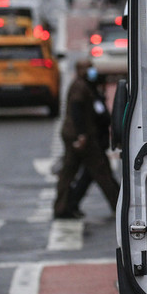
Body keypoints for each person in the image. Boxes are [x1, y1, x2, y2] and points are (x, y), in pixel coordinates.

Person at [53, 59, 119, 219]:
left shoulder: (84, 85)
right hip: (82, 137)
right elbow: (76, 110)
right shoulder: (80, 87)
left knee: (71, 172)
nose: (91, 71)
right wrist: (82, 135)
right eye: (88, 68)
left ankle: (64, 207)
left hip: (78, 135)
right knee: (100, 170)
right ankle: (119, 205)